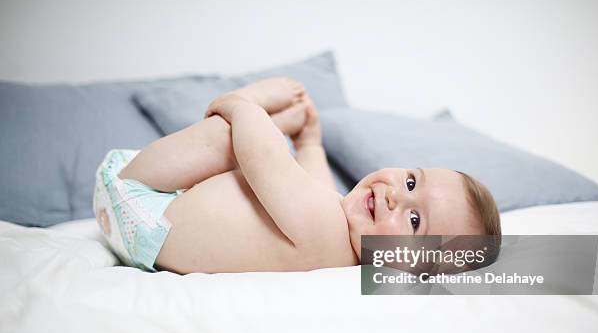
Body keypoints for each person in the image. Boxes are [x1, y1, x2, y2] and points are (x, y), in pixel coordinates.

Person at [93, 78, 501, 274]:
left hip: (137, 198)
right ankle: (280, 123)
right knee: (262, 167)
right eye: (412, 182)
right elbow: (320, 189)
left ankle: (245, 103)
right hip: (148, 237)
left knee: (236, 139)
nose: (397, 196)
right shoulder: (334, 247)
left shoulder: (324, 227)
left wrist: (243, 106)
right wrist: (309, 144)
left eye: (414, 221)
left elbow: (265, 155)